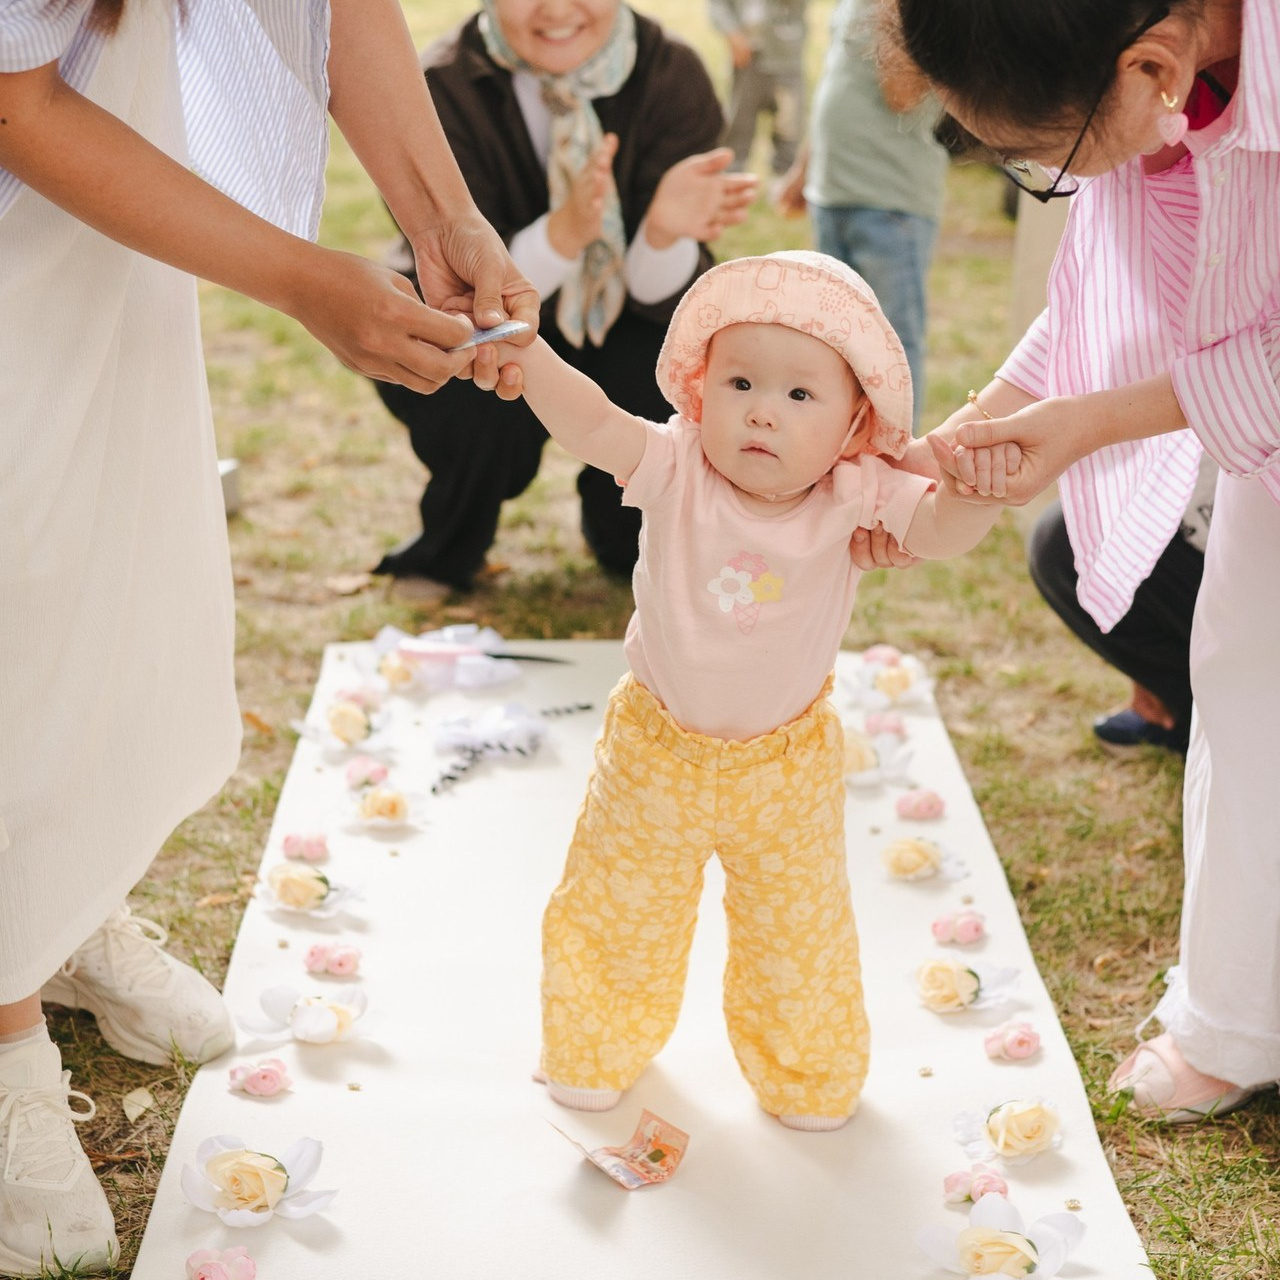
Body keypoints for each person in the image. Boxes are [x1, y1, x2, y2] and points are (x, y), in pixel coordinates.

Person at [0, 0, 535, 1272]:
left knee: (106, 553)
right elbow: (13, 96)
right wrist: (303, 280)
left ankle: (56, 901)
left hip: (105, 168)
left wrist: (444, 220)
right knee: (13, 578)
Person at [490, 251, 1004, 1129]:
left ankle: (806, 1076)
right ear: (700, 392)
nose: (763, 410)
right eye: (739, 383)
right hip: (655, 754)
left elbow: (939, 527)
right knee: (616, 909)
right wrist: (528, 355)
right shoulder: (676, 464)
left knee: (798, 935)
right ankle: (590, 1047)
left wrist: (978, 493)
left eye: (800, 394)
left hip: (785, 772)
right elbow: (593, 423)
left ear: (854, 424)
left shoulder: (853, 489)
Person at [889, 0, 1279, 1123]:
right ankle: (1234, 1021)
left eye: (1038, 159)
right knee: (1246, 689)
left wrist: (1086, 424)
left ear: (1149, 65)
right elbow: (1108, 290)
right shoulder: (1140, 75)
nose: (1041, 178)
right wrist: (972, 428)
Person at [372, 0, 756, 597]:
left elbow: (668, 302)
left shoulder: (671, 72)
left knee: (663, 391)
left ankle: (626, 541)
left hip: (631, 313)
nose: (556, 9)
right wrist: (562, 236)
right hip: (482, 314)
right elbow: (453, 277)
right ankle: (446, 548)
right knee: (477, 413)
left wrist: (662, 233)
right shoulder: (438, 87)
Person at [775, 0, 947, 429]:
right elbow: (838, 81)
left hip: (889, 202)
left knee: (892, 341)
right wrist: (804, 170)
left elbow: (902, 94)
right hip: (832, 194)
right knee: (832, 337)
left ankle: (893, 452)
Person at [1028, 453, 1216, 756]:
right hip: (1204, 532)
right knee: (1066, 542)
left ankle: (1244, 723)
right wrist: (1148, 668)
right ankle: (1189, 713)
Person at [708, 0, 809, 176]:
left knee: (788, 131)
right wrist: (732, 32)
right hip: (747, 59)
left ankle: (783, 179)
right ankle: (732, 179)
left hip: (786, 59)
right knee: (738, 130)